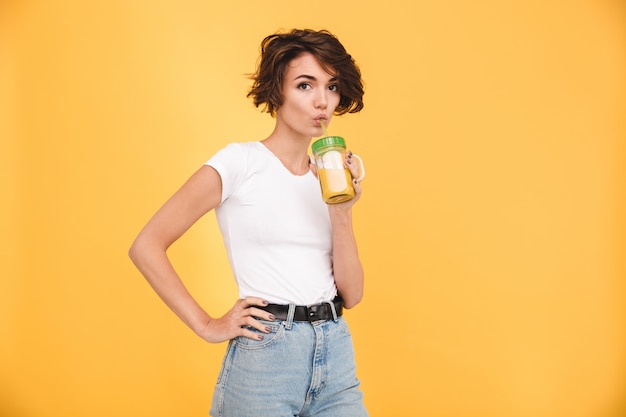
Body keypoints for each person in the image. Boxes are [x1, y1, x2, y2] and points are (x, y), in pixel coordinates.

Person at [129, 28, 368, 417]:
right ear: (277, 91)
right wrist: (206, 324)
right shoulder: (240, 163)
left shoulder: (326, 180)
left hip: (335, 352)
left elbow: (352, 294)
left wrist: (341, 212)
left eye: (333, 86)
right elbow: (146, 245)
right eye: (305, 85)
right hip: (267, 357)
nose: (322, 101)